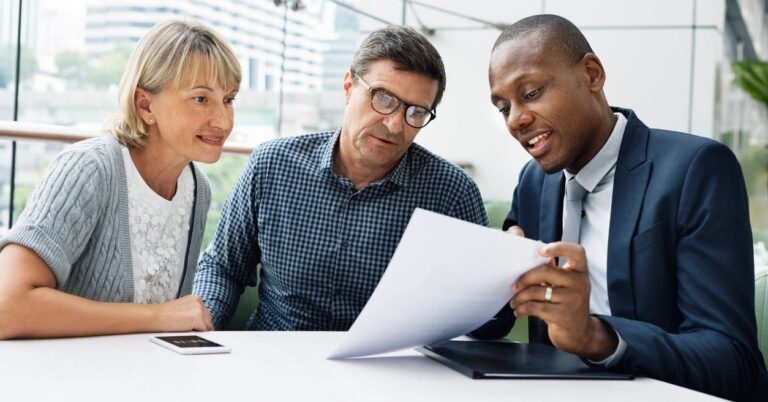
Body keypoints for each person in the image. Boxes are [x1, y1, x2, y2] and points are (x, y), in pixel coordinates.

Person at [474, 14, 768, 401]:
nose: (516, 120)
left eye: (530, 93)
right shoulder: (534, 182)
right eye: (503, 108)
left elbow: (733, 361)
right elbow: (499, 320)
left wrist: (596, 336)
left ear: (592, 75)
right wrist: (482, 287)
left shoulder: (695, 169)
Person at [193, 25, 487, 331]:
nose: (395, 125)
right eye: (383, 98)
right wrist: (200, 324)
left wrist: (504, 284)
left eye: (415, 113)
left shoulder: (451, 193)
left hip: (387, 371)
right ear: (349, 86)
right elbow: (223, 268)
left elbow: (483, 317)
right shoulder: (272, 165)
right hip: (273, 361)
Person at [0, 20, 241, 339]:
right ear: (145, 105)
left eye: (229, 100)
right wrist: (157, 316)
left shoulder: (197, 190)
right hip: (61, 379)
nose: (223, 121)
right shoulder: (89, 169)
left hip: (140, 378)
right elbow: (7, 306)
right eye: (200, 99)